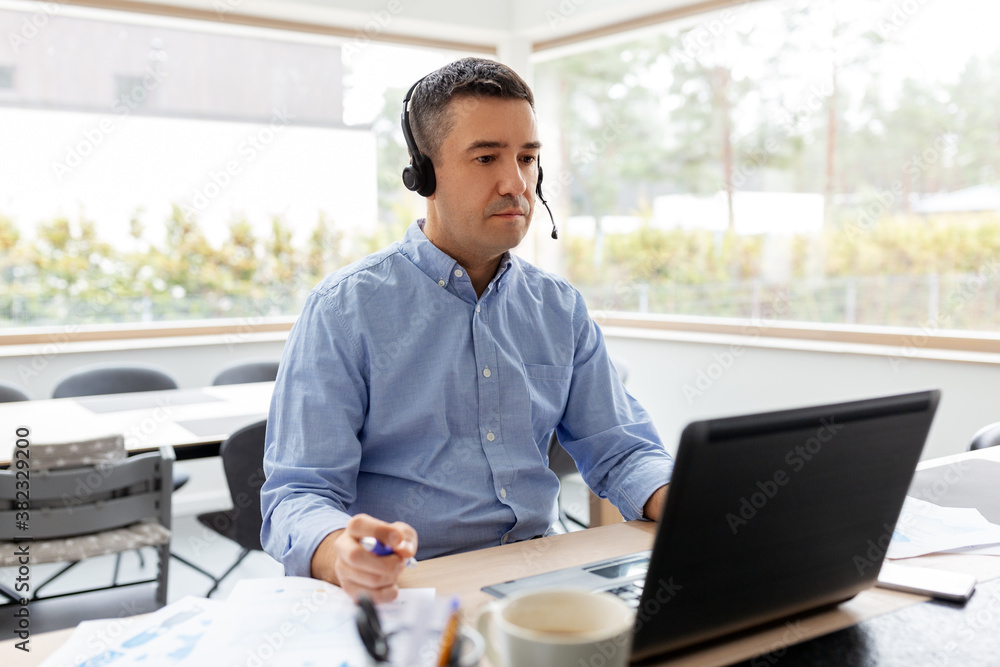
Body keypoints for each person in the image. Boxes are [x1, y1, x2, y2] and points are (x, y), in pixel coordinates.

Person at [260, 57, 674, 603]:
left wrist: (694, 503)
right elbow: (298, 494)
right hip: (405, 587)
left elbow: (621, 451)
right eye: (486, 158)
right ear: (424, 174)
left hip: (536, 577)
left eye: (528, 158)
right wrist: (343, 552)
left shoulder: (559, 308)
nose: (516, 183)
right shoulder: (344, 310)